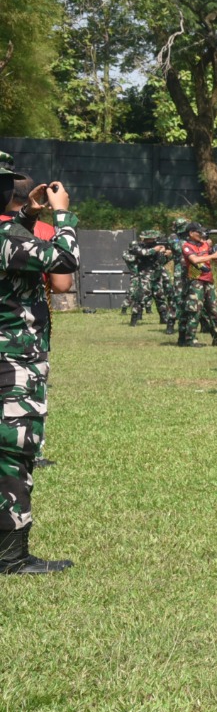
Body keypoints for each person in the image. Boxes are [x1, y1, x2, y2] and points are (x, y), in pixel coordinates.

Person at [0, 160, 77, 575]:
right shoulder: (5, 240)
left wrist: (29, 214)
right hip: (12, 363)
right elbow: (64, 261)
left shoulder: (8, 233)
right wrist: (61, 214)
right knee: (15, 453)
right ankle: (11, 557)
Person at [177, 220, 217, 348]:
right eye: (199, 232)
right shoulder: (187, 246)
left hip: (208, 280)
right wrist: (213, 255)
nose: (202, 234)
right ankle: (190, 339)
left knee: (214, 310)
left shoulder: (205, 245)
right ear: (191, 233)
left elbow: (216, 260)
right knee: (194, 311)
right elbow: (195, 259)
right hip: (195, 282)